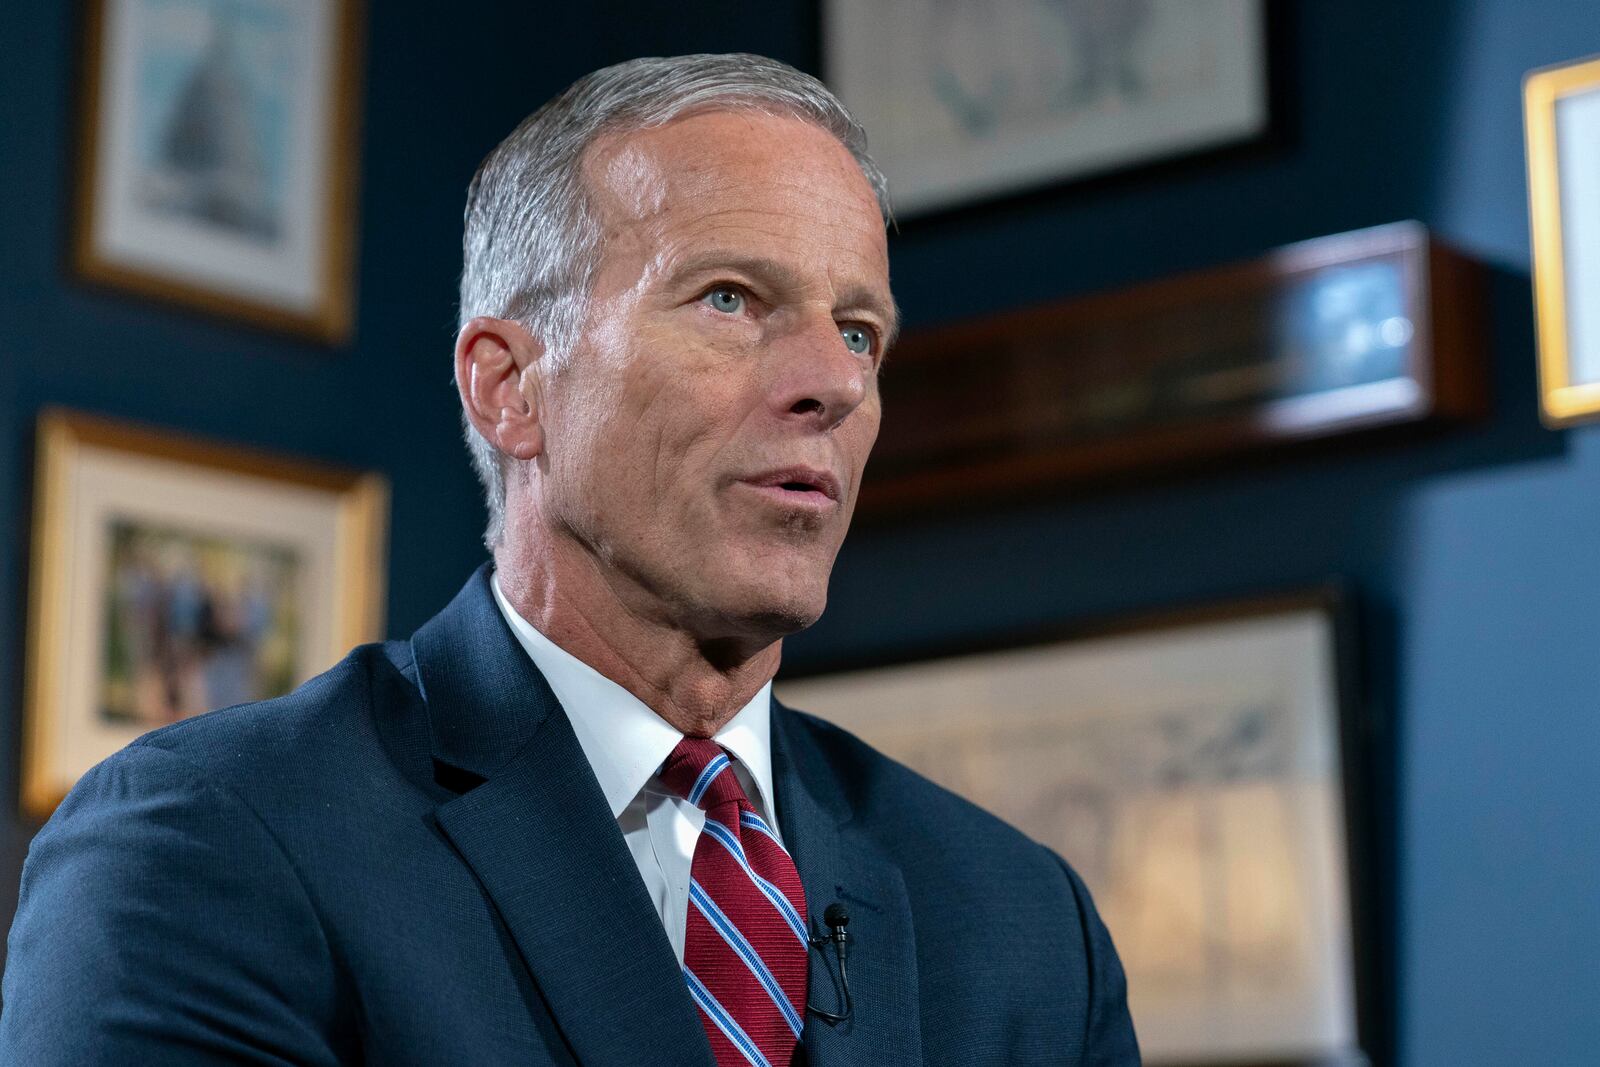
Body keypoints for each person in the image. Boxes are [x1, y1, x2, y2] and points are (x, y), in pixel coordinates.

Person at [0, 54, 1138, 1066]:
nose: (834, 383)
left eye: (858, 331)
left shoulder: (1024, 921)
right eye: (732, 298)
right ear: (509, 383)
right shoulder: (208, 843)